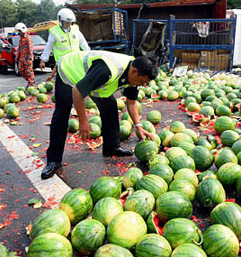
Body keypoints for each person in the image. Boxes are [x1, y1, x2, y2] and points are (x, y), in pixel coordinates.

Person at [41, 50, 158, 179]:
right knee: (62, 113)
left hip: (95, 82)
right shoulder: (107, 69)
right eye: (142, 81)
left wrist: (139, 126)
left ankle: (112, 147)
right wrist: (83, 121)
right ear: (134, 71)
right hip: (70, 73)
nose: (142, 85)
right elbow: (77, 92)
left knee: (110, 106)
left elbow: (131, 103)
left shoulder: (134, 72)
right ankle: (53, 160)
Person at [40, 8, 90, 81]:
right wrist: (43, 60)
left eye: (70, 22)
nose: (68, 24)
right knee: (64, 84)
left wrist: (89, 54)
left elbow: (83, 43)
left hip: (76, 61)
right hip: (63, 64)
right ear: (61, 20)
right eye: (66, 22)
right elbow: (48, 46)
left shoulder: (75, 29)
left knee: (78, 81)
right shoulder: (55, 32)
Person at [14, 22, 35, 88]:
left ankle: (31, 83)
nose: (18, 33)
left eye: (19, 31)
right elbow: (20, 48)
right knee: (21, 70)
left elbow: (30, 48)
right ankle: (30, 81)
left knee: (29, 71)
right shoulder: (21, 38)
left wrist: (30, 57)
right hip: (22, 58)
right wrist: (17, 56)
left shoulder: (28, 38)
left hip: (27, 57)